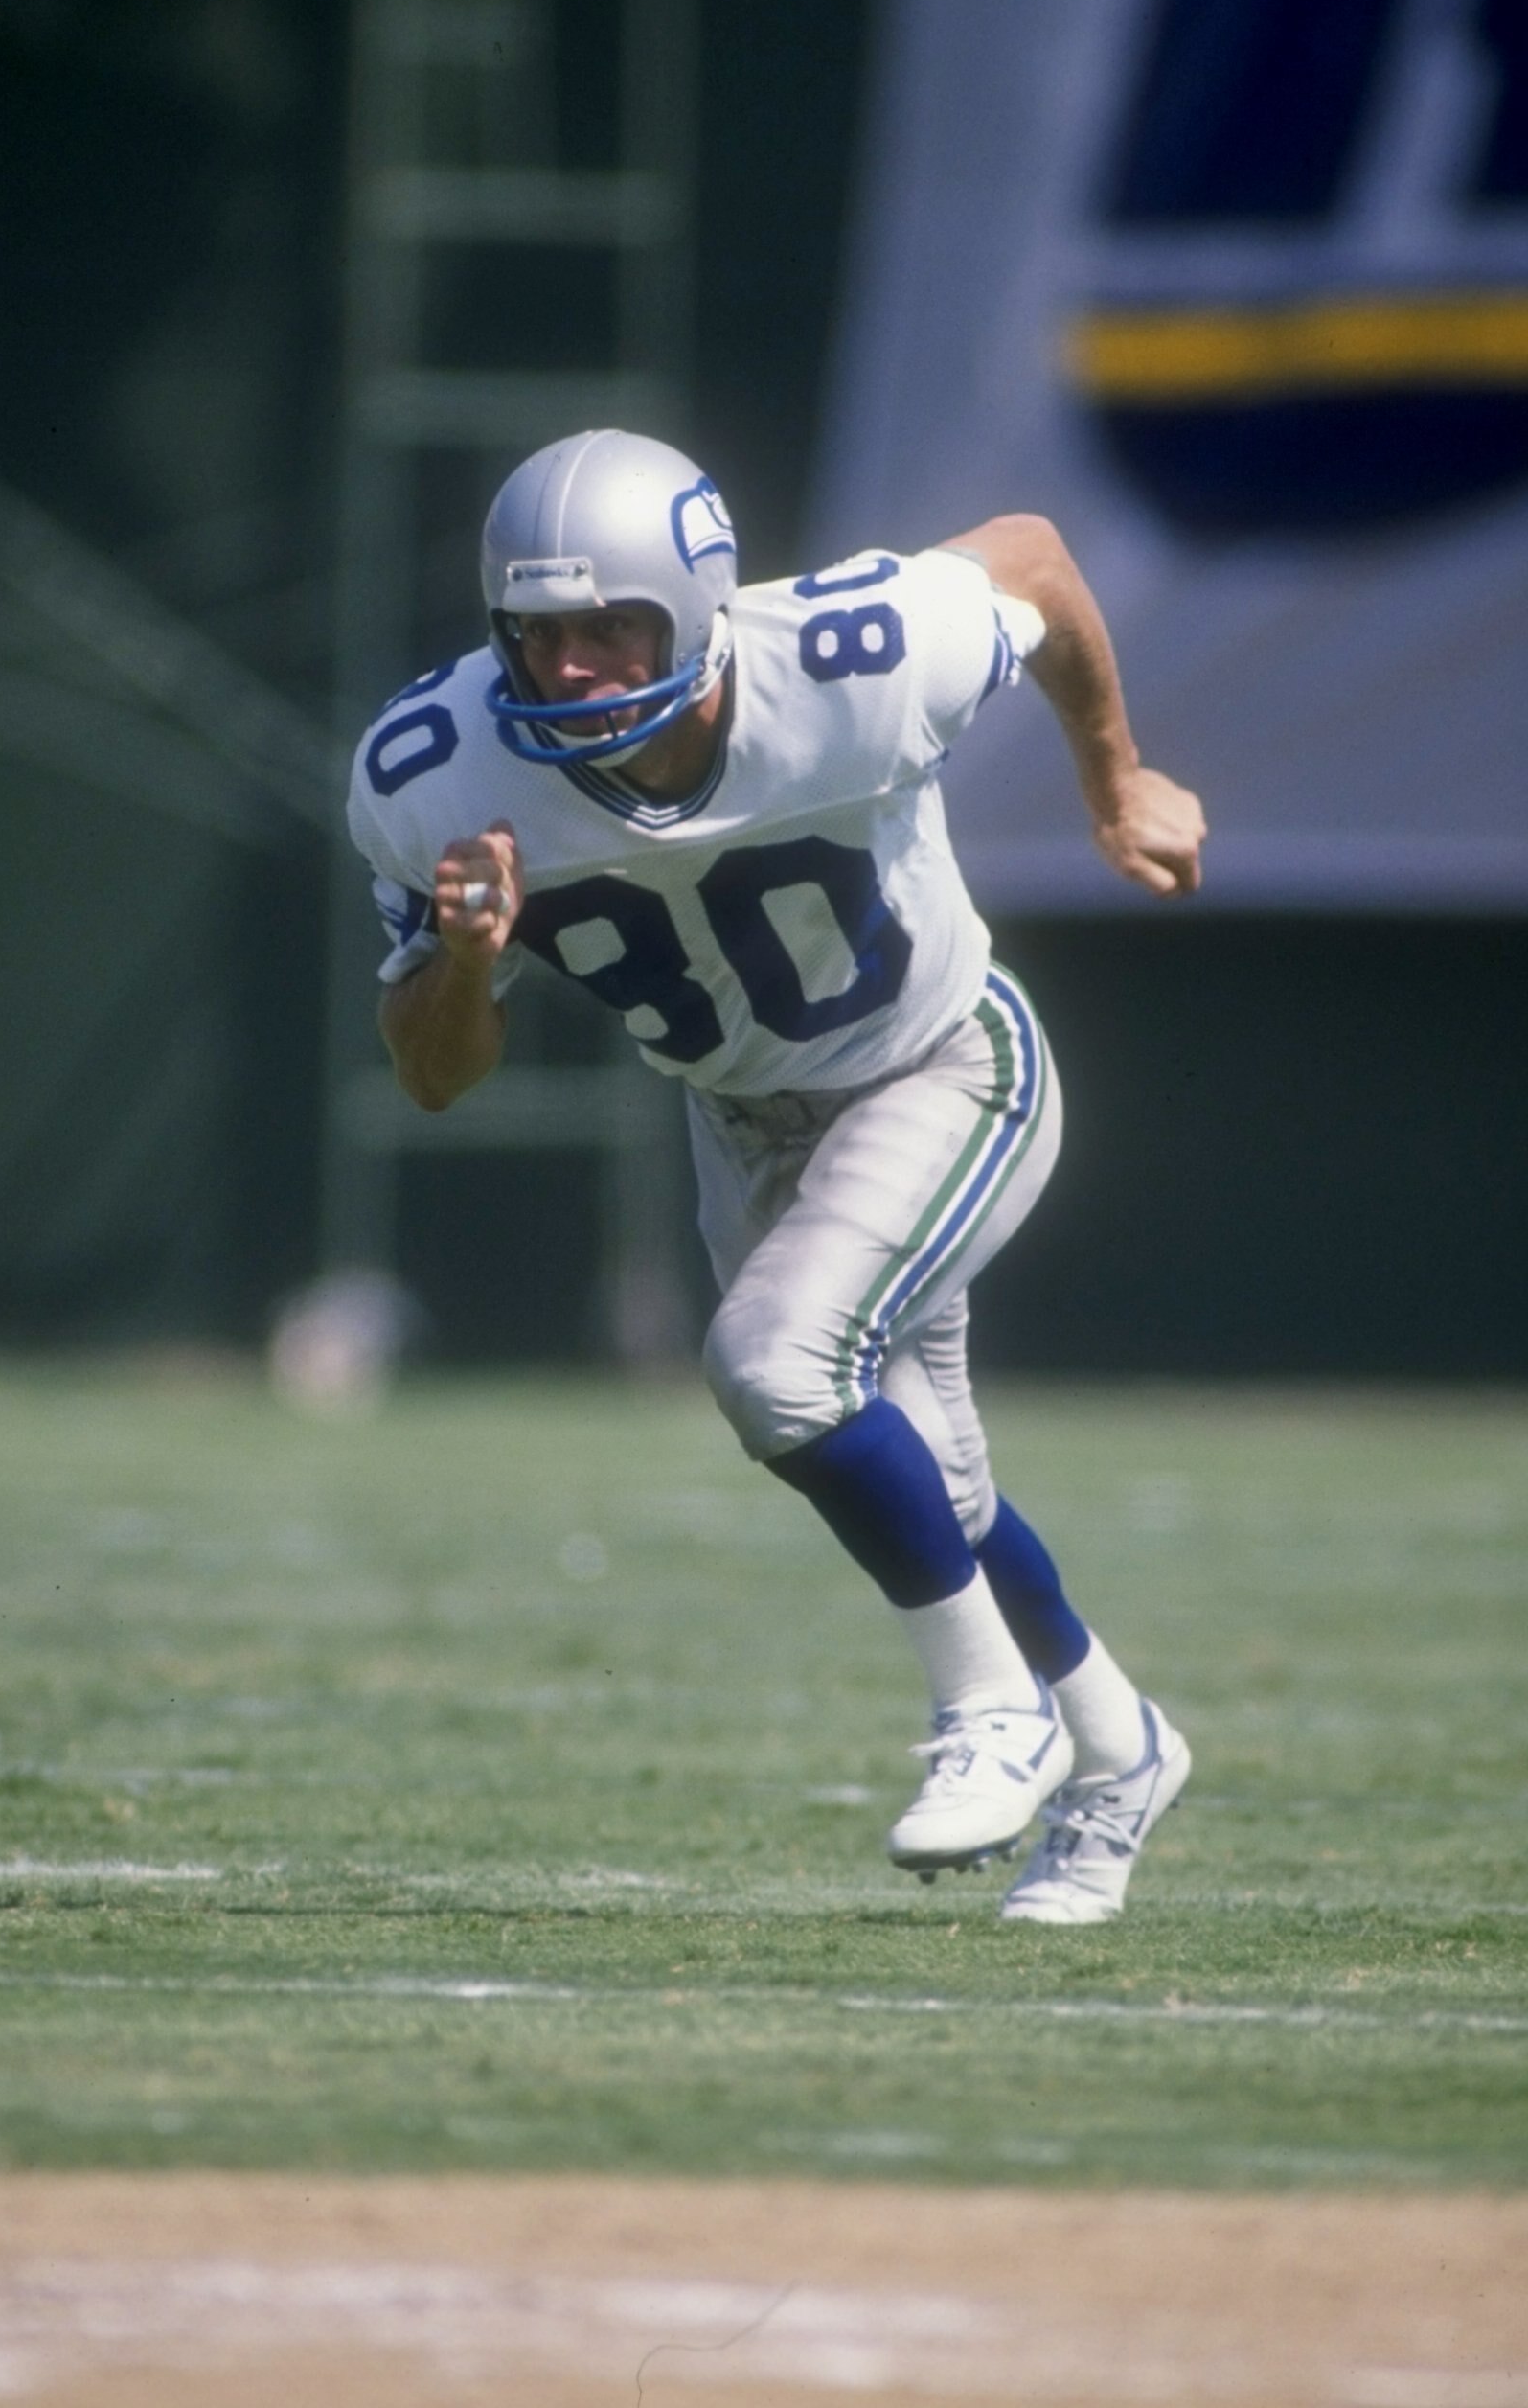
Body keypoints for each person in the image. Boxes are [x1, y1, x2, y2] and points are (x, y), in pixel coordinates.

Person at [346, 429, 1206, 1924]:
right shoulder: (431, 778)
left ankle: (988, 1716)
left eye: (616, 625)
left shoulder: (857, 657)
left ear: (697, 605)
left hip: (945, 1066)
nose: (576, 669)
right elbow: (433, 1071)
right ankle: (1122, 1751)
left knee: (776, 1362)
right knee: (933, 1479)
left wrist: (1116, 786)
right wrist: (468, 963)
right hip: (739, 1116)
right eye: (541, 635)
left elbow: (1041, 564)